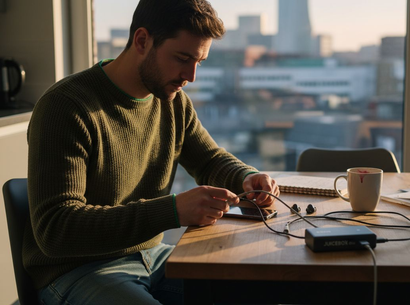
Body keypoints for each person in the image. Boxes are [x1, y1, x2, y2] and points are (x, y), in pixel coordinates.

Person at [25, 0, 279, 304]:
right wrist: (171, 211)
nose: (191, 75)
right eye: (182, 58)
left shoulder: (173, 101)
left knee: (258, 291)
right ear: (142, 41)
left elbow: (210, 159)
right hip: (78, 271)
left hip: (153, 257)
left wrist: (247, 177)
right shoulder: (66, 107)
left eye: (200, 61)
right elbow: (56, 228)